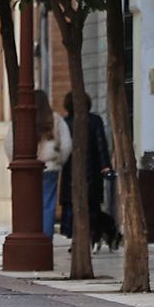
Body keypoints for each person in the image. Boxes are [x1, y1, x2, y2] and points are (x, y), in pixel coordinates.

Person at [59, 96, 113, 240]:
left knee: (73, 207)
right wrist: (105, 166)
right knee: (92, 208)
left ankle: (77, 239)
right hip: (93, 173)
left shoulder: (65, 123)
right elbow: (102, 146)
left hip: (70, 174)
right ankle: (95, 236)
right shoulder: (95, 120)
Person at [34, 90, 71, 236]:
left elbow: (9, 143)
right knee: (48, 204)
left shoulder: (23, 118)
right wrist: (59, 160)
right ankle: (46, 237)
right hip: (50, 167)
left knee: (30, 203)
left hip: (28, 170)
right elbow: (67, 144)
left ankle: (34, 236)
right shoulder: (55, 119)